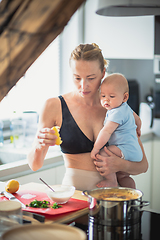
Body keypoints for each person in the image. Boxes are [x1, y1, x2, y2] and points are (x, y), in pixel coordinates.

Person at [27, 43, 148, 191]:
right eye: (77, 78)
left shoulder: (116, 107)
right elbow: (34, 165)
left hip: (113, 199)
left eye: (91, 78)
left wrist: (120, 165)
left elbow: (143, 166)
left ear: (103, 73)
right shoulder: (54, 106)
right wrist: (39, 144)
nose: (83, 86)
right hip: (75, 197)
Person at [91, 73, 143, 188]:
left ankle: (111, 181)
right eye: (103, 96)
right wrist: (138, 129)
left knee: (104, 153)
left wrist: (96, 148)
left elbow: (106, 131)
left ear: (125, 97)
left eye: (112, 96)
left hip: (125, 148)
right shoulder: (126, 107)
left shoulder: (116, 112)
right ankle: (131, 192)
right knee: (123, 176)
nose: (106, 100)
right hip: (134, 150)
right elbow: (138, 119)